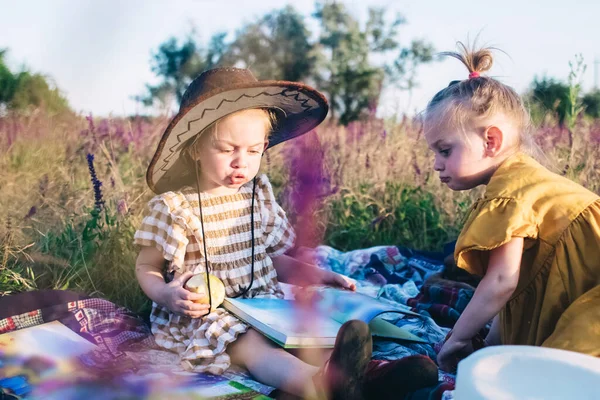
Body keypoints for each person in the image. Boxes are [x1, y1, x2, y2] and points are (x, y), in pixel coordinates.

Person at [132, 67, 377, 399]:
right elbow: (146, 266)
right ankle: (319, 386)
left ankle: (374, 379)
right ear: (195, 149)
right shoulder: (176, 208)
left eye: (252, 151)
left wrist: (319, 276)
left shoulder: (257, 194)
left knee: (304, 334)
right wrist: (165, 295)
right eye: (226, 149)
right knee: (251, 345)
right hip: (205, 316)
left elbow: (270, 260)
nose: (240, 163)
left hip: (262, 308)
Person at [423, 43, 600, 372]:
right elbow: (513, 288)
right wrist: (488, 348)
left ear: (491, 141)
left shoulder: (511, 193)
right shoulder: (520, 180)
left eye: (444, 150)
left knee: (560, 373)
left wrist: (458, 340)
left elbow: (502, 281)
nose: (436, 164)